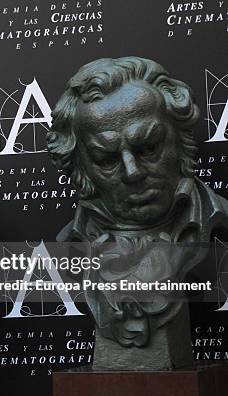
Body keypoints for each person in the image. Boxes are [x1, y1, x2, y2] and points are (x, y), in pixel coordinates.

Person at [46, 56, 228, 369]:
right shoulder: (72, 241)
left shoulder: (217, 215)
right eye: (106, 159)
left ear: (180, 138)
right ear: (82, 169)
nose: (132, 173)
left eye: (148, 147)